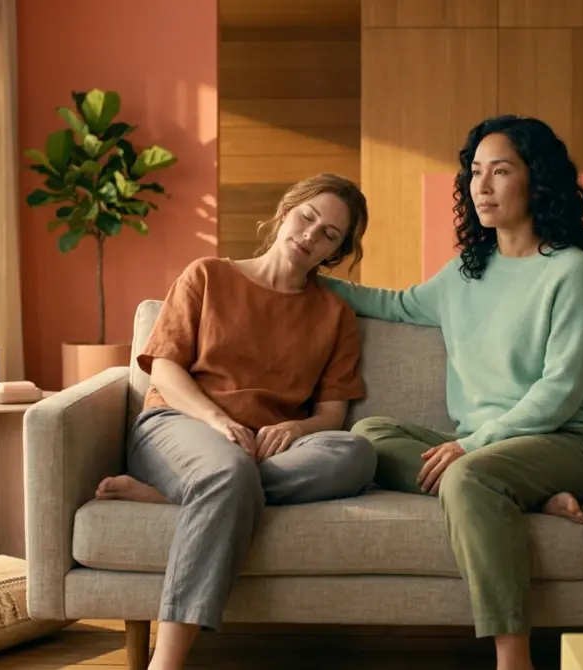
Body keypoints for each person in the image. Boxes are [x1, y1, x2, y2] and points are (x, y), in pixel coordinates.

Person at [319, 115, 583, 670]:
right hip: (489, 452)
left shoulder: (569, 271)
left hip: (567, 442)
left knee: (468, 474)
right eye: (475, 172)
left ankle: (513, 658)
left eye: (500, 172)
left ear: (536, 181)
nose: (482, 186)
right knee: (368, 435)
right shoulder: (466, 272)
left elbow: (561, 391)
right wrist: (297, 272)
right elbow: (395, 304)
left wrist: (474, 446)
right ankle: (519, 496)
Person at [95, 173, 377, 670]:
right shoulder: (207, 274)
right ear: (287, 210)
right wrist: (217, 418)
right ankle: (169, 660)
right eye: (308, 217)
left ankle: (183, 496)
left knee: (356, 454)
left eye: (329, 234)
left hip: (265, 447)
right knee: (226, 470)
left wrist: (298, 428)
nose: (312, 234)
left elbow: (332, 415)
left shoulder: (334, 314)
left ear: (334, 252)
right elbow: (164, 366)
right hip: (179, 423)